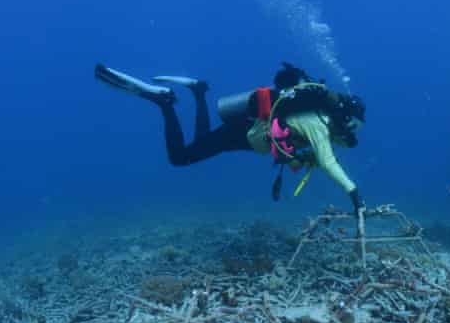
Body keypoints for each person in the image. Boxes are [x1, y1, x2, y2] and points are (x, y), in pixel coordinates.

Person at [94, 62, 367, 223]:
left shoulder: (320, 120)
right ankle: (165, 102)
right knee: (180, 158)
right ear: (344, 116)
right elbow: (329, 161)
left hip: (247, 134)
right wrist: (354, 194)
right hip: (245, 132)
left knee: (201, 143)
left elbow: (332, 149)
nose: (351, 133)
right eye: (352, 126)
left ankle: (198, 91)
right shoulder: (318, 123)